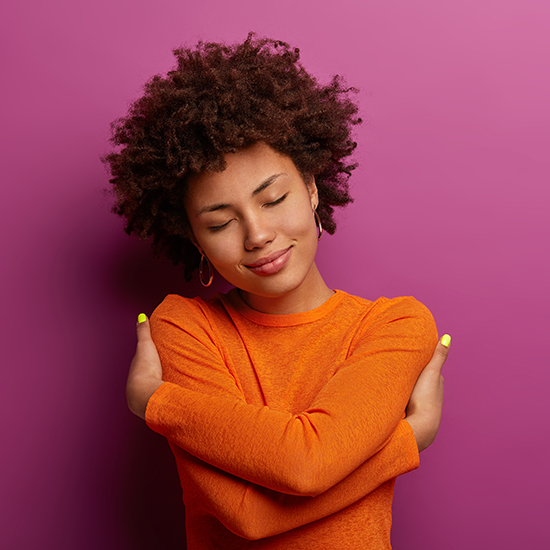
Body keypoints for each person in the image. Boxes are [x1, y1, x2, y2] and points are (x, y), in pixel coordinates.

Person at [105, 34, 450, 549]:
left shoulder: (394, 326)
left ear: (311, 187)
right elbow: (250, 517)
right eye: (221, 223)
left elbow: (304, 468)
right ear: (193, 237)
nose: (257, 235)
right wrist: (408, 440)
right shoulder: (183, 329)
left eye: (274, 199)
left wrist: (157, 400)